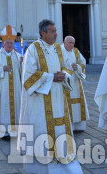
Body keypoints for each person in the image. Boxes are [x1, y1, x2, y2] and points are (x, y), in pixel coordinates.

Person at [17, 19, 82, 173]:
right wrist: (51, 77)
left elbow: (66, 67)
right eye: (52, 31)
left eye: (56, 31)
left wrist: (63, 75)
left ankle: (66, 167)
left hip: (58, 99)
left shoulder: (58, 49)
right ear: (43, 33)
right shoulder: (33, 49)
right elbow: (28, 77)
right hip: (40, 102)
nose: (56, 34)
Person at [61, 35, 90, 132]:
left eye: (73, 43)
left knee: (77, 103)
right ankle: (68, 125)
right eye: (69, 43)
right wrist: (65, 71)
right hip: (64, 82)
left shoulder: (76, 51)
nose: (71, 45)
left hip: (76, 81)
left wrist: (77, 67)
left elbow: (83, 63)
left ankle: (78, 126)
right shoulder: (58, 51)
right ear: (64, 42)